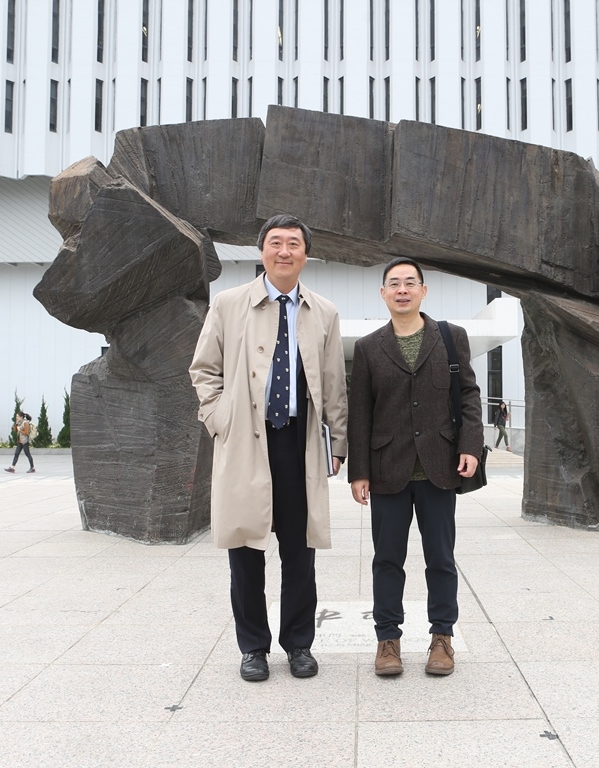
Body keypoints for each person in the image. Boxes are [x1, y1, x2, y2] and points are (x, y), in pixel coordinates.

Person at [189, 214, 348, 683]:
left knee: (300, 553)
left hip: (299, 443)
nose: (284, 251)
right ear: (261, 252)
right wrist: (221, 420)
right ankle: (252, 648)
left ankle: (299, 644)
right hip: (244, 442)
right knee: (245, 550)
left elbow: (335, 386)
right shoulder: (229, 304)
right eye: (275, 243)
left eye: (294, 244)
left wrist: (336, 443)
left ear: (305, 253)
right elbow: (204, 370)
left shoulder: (324, 312)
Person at [347, 257, 483, 678]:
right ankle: (388, 639)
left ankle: (442, 638)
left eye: (410, 283)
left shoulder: (450, 337)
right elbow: (360, 414)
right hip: (388, 470)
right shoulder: (368, 347)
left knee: (440, 557)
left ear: (424, 291)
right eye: (394, 283)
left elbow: (469, 395)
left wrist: (471, 446)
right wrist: (359, 471)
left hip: (440, 468)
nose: (402, 289)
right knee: (387, 559)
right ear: (383, 294)